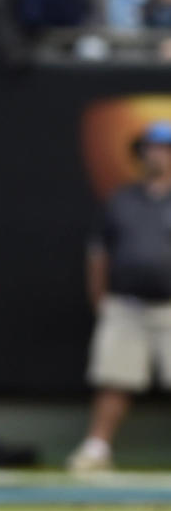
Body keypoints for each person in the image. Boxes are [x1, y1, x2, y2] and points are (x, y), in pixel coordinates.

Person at [66, 120, 171, 472]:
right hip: (126, 305)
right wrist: (102, 301)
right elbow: (99, 254)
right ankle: (97, 449)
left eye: (166, 148)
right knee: (115, 380)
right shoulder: (122, 199)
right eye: (154, 147)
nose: (160, 154)